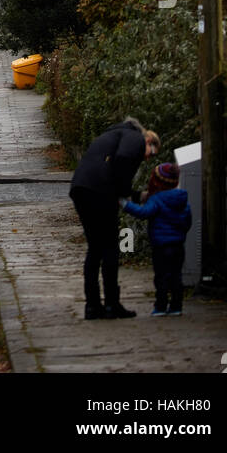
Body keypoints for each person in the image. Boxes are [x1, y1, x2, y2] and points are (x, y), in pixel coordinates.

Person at [69, 117, 160, 320]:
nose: (147, 159)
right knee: (110, 248)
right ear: (149, 141)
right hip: (100, 192)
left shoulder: (113, 134)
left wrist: (137, 196)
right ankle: (112, 304)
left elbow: (114, 172)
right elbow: (123, 160)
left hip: (81, 189)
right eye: (151, 153)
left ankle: (92, 306)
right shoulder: (135, 137)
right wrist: (125, 193)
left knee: (95, 249)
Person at [123, 163, 191, 316]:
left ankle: (160, 306)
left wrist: (126, 205)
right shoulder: (182, 198)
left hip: (160, 245)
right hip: (178, 244)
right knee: (176, 276)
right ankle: (176, 306)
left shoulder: (157, 199)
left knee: (161, 276)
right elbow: (188, 220)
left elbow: (144, 212)